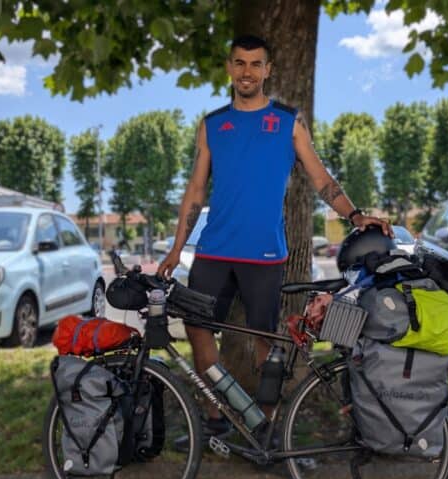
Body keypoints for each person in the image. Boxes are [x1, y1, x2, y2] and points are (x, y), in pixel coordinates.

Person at [158, 34, 390, 442]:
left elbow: (320, 178)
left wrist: (354, 216)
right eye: (240, 63)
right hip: (213, 250)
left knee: (265, 342)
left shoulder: (288, 121)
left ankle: (264, 425)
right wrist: (177, 249)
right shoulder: (212, 125)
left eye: (256, 64)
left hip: (264, 255)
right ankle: (216, 420)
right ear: (229, 68)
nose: (247, 72)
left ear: (268, 70)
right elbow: (195, 190)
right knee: (197, 331)